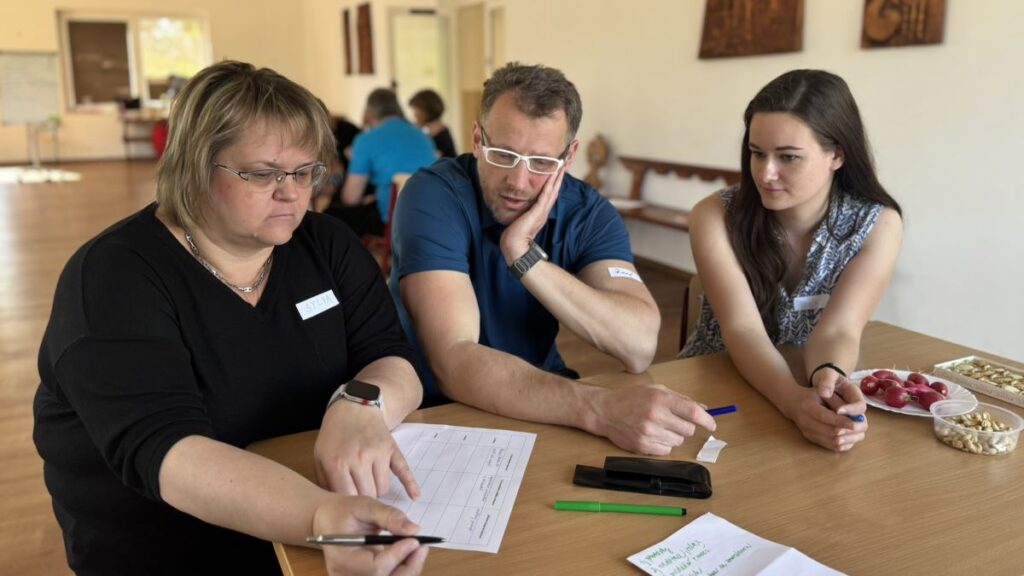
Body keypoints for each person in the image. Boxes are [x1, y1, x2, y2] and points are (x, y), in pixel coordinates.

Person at [33, 61, 429, 576]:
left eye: (307, 171)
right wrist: (320, 517)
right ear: (195, 166)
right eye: (262, 174)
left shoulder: (324, 243)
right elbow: (170, 453)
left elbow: (391, 358)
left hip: (312, 511)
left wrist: (359, 404)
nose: (291, 191)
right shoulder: (114, 277)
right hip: (176, 545)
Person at [390, 62, 716, 455]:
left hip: (541, 398)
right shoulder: (433, 195)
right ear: (477, 139)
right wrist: (599, 406)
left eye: (542, 163)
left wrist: (524, 255)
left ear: (569, 155)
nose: (518, 181)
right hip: (435, 409)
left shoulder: (587, 212)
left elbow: (639, 345)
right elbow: (452, 361)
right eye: (503, 155)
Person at [680, 69, 903, 452]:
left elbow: (839, 331)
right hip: (716, 384)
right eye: (756, 153)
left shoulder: (877, 224)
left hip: (805, 380)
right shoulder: (714, 216)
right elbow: (742, 330)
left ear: (837, 155)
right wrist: (791, 401)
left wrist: (829, 378)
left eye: (788, 157)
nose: (766, 173)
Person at [317, 88, 435, 237]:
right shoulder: (424, 136)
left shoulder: (366, 140)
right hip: (429, 218)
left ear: (370, 113)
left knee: (330, 215)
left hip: (393, 220)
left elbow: (350, 198)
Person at [409, 89, 457, 158]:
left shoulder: (441, 138)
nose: (414, 114)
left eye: (416, 109)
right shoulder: (436, 134)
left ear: (426, 109)